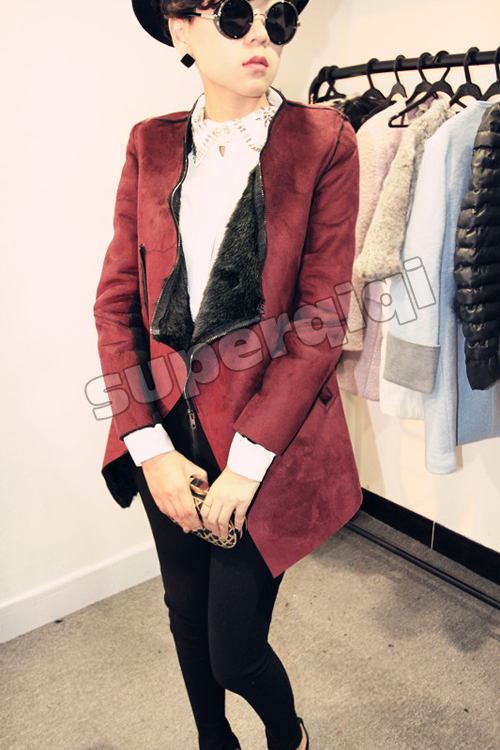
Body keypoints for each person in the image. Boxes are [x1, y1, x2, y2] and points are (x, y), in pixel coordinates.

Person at [94, 1, 362, 748]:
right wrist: (149, 448)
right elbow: (116, 305)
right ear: (179, 28)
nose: (261, 35)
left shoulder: (324, 141)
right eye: (236, 14)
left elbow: (320, 320)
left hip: (265, 441)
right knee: (186, 618)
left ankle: (288, 737)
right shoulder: (150, 143)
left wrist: (245, 467)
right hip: (165, 436)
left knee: (233, 650)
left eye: (279, 18)